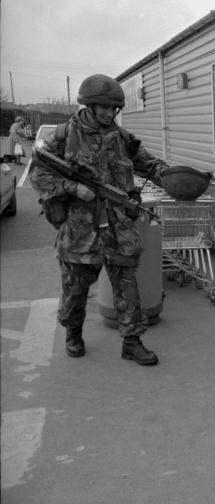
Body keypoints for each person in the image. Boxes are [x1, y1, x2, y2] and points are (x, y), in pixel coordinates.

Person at [30, 74, 171, 366]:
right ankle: (73, 333)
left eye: (114, 109)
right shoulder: (63, 135)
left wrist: (174, 177)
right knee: (75, 289)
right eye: (104, 107)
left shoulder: (121, 138)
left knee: (127, 285)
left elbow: (148, 164)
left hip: (118, 226)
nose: (110, 113)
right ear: (90, 106)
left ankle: (132, 341)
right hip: (80, 229)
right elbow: (38, 174)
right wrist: (73, 189)